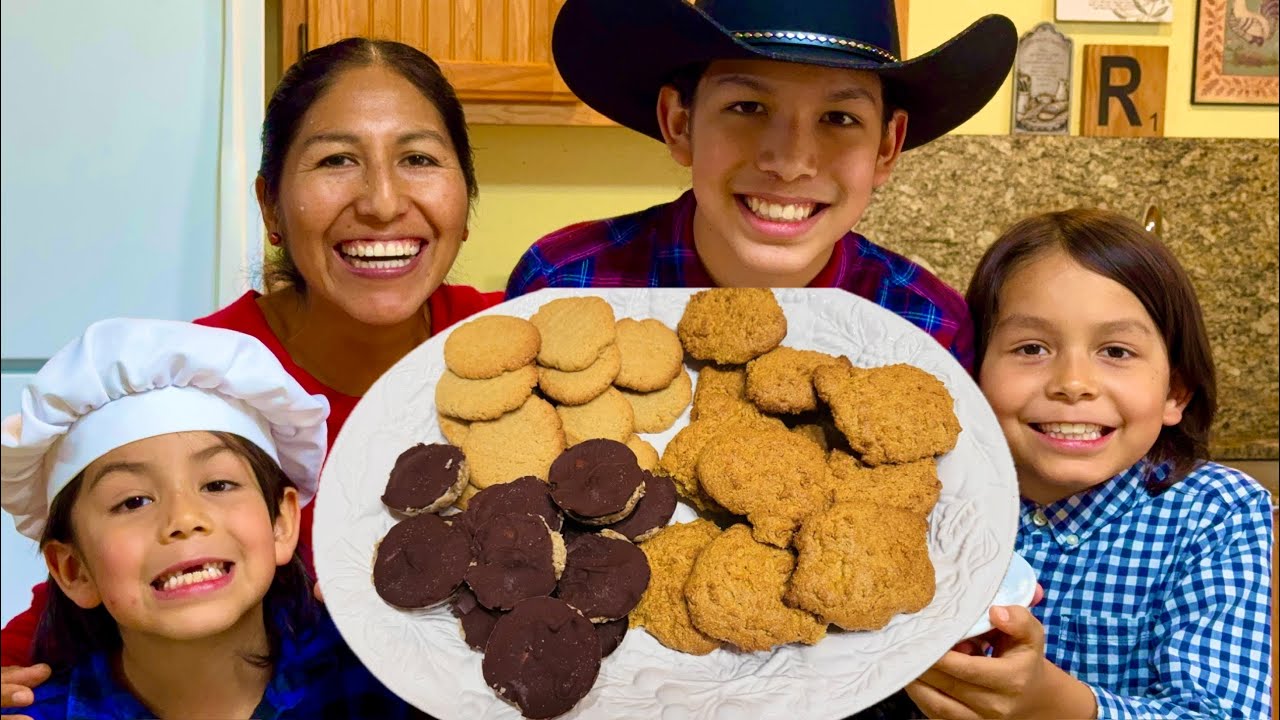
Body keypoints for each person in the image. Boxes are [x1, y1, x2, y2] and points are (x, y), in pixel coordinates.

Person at [2, 36, 503, 695]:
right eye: (336, 160)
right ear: (270, 207)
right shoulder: (195, 384)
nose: (382, 202)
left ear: (464, 199)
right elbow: (91, 585)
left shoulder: (518, 343)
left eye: (417, 158)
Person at [505, 0, 1016, 372]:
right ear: (679, 125)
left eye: (838, 117)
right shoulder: (562, 283)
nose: (791, 162)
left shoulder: (928, 324)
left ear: (887, 147)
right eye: (747, 108)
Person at [905, 208, 1273, 718]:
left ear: (1176, 392)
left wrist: (1052, 705)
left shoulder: (1218, 514)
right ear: (974, 372)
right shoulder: (924, 495)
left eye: (1117, 351)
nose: (1072, 382)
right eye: (1031, 347)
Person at [0, 319, 427, 719]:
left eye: (218, 485)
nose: (184, 519)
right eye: (132, 501)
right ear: (72, 569)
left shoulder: (398, 684)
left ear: (281, 523)